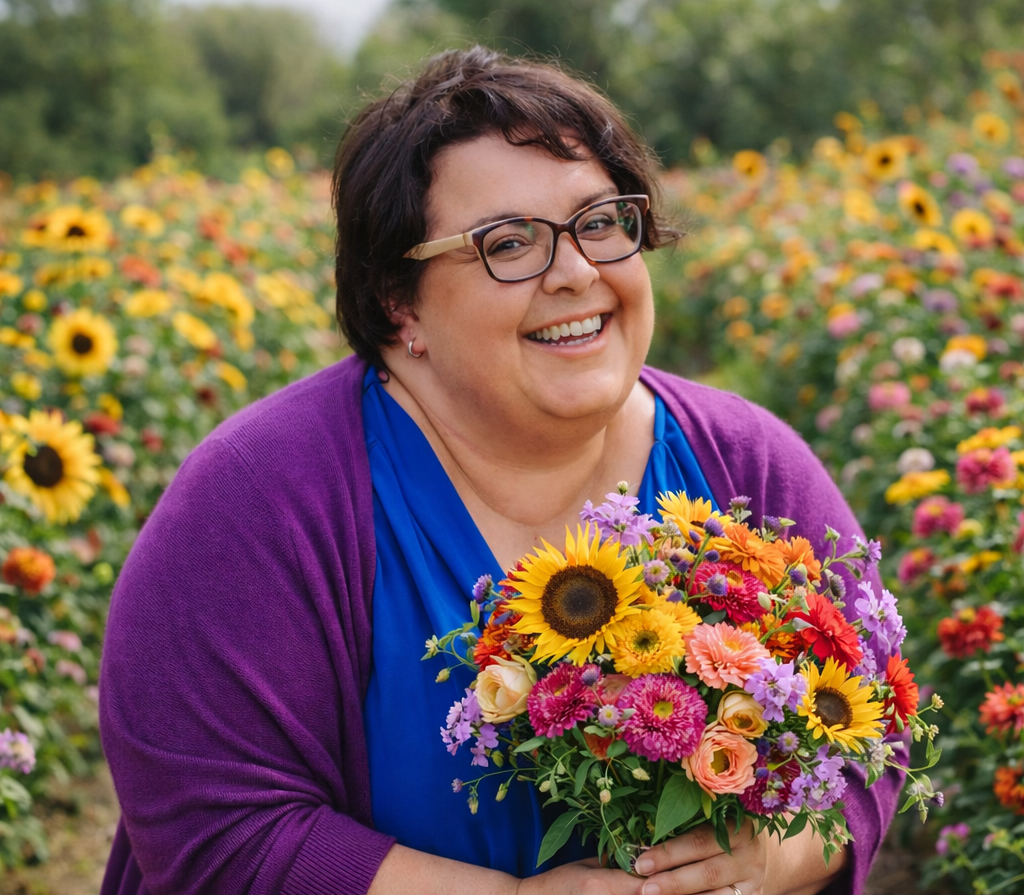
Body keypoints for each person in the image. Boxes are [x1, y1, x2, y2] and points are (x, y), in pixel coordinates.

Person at [99, 46, 904, 895]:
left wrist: (771, 859)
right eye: (508, 242)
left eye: (600, 221)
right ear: (396, 300)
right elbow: (220, 832)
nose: (577, 272)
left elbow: (876, 724)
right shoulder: (258, 499)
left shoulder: (746, 460)